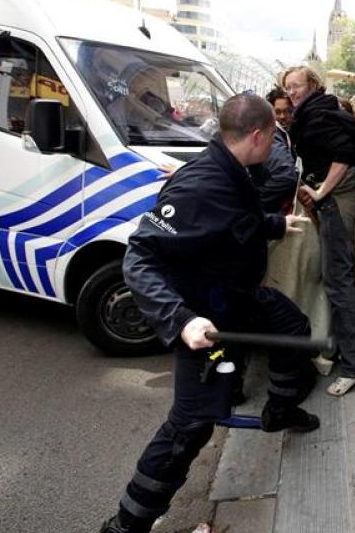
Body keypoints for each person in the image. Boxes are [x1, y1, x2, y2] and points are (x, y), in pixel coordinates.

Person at [100, 94, 319, 533]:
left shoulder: (234, 170)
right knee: (190, 428)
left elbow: (232, 220)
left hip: (240, 299)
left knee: (293, 327)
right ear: (257, 136)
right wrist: (181, 320)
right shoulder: (200, 184)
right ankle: (127, 524)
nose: (276, 141)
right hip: (207, 321)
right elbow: (140, 257)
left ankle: (279, 408)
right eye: (274, 134)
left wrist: (275, 225)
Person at [282, 66, 355, 396]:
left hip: (336, 204)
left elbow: (345, 154)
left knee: (338, 281)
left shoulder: (318, 113)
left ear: (313, 84)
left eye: (297, 85)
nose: (292, 91)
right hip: (335, 203)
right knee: (338, 280)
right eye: (287, 87)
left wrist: (322, 191)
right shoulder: (322, 107)